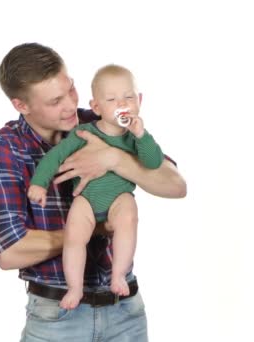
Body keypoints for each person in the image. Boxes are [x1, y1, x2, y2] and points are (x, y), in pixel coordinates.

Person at [0, 43, 186, 341]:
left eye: (71, 90)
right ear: (21, 105)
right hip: (58, 317)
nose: (69, 105)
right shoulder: (5, 150)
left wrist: (115, 159)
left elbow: (176, 185)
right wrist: (93, 228)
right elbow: (10, 251)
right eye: (55, 101)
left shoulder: (100, 122)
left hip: (126, 309)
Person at [27, 64, 164, 310]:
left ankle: (118, 274)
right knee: (74, 236)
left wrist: (142, 135)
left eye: (129, 97)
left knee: (128, 217)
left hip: (119, 197)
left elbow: (153, 162)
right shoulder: (83, 132)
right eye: (111, 99)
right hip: (87, 199)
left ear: (140, 101)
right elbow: (54, 157)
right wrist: (39, 183)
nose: (122, 103)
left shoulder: (135, 136)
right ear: (96, 107)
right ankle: (75, 287)